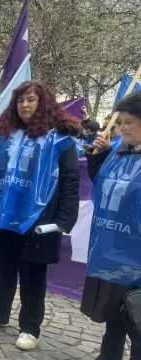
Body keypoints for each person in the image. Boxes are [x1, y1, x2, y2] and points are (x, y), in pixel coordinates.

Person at [0, 80, 80, 351]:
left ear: (43, 104)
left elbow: (69, 180)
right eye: (21, 100)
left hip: (39, 218)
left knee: (32, 273)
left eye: (31, 100)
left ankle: (30, 327)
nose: (25, 105)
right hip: (5, 214)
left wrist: (65, 220)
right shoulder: (3, 134)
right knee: (4, 266)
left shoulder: (60, 139)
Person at [81, 92, 141, 360]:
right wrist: (100, 155)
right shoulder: (119, 151)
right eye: (122, 121)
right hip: (116, 254)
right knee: (115, 319)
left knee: (138, 323)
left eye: (129, 121)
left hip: (137, 258)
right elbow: (103, 188)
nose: (121, 127)